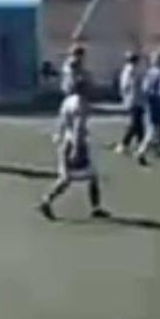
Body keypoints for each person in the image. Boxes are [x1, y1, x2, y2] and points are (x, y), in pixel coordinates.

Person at [38, 79, 108, 221]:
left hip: (65, 140)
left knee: (89, 176)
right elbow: (78, 126)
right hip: (75, 142)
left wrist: (57, 134)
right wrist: (76, 148)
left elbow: (61, 121)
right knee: (69, 178)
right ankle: (46, 200)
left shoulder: (68, 101)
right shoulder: (81, 104)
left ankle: (96, 207)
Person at [135, 50, 160, 165]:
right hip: (156, 104)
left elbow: (145, 89)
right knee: (154, 131)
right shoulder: (159, 73)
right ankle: (141, 152)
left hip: (153, 104)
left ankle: (158, 151)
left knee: (158, 130)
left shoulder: (152, 72)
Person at [115, 52, 146, 158]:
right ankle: (124, 144)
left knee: (139, 124)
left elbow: (124, 87)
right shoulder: (132, 70)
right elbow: (133, 85)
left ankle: (141, 144)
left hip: (133, 99)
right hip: (135, 100)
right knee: (135, 123)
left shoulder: (127, 70)